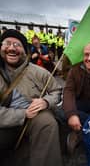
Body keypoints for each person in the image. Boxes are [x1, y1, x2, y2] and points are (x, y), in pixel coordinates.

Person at [0, 29, 63, 166]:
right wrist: (22, 114)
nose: (12, 48)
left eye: (17, 45)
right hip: (4, 122)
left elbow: (57, 91)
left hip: (34, 118)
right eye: (7, 43)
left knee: (47, 122)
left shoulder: (38, 72)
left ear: (25, 51)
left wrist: (46, 101)